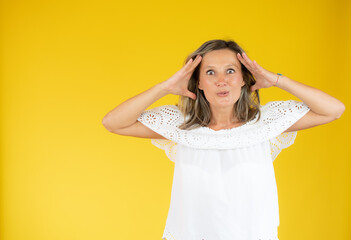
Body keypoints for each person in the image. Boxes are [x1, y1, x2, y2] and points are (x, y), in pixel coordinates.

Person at [102, 39, 345, 240]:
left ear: (243, 78)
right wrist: (164, 87)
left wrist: (276, 80)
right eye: (210, 72)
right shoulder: (181, 123)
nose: (222, 81)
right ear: (198, 82)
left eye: (230, 71)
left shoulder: (266, 121)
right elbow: (113, 123)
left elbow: (333, 110)